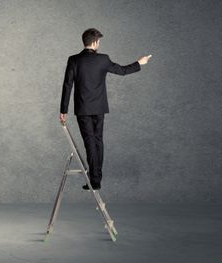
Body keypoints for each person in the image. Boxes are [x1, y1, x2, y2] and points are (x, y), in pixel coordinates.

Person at [59, 28, 152, 190]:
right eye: (99, 41)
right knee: (98, 141)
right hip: (99, 108)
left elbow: (67, 85)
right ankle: (97, 178)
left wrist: (63, 110)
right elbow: (122, 71)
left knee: (90, 142)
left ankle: (94, 179)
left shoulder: (73, 60)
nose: (99, 44)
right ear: (94, 42)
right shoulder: (103, 59)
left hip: (83, 108)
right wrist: (139, 63)